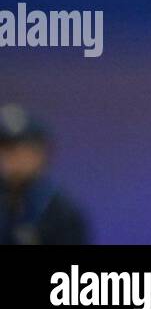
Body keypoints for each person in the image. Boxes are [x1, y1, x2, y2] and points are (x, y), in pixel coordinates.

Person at [0, 104, 90, 245]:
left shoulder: (60, 212)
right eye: (4, 149)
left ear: (40, 153)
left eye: (16, 149)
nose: (10, 158)